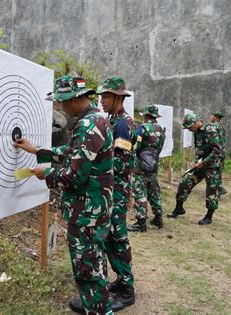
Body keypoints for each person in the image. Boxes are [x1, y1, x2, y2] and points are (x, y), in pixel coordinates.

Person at [14, 75, 123, 314]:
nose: (60, 106)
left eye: (62, 101)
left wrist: (47, 173)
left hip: (87, 213)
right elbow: (75, 152)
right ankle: (92, 302)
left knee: (88, 266)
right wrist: (38, 150)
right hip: (95, 208)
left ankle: (98, 308)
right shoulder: (97, 120)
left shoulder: (88, 125)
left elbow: (75, 175)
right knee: (94, 261)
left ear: (75, 99)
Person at [97, 76, 136, 307]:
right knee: (111, 236)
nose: (102, 100)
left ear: (118, 98)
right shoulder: (113, 119)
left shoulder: (123, 124)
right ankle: (121, 280)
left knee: (118, 237)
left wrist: (94, 164)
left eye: (106, 96)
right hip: (111, 189)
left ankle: (127, 290)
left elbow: (121, 162)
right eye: (101, 96)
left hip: (117, 191)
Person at [167, 113, 225, 225]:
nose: (189, 130)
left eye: (190, 127)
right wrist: (196, 163)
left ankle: (209, 217)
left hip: (213, 165)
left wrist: (203, 162)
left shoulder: (210, 130)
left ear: (196, 123)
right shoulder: (196, 132)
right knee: (185, 181)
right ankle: (179, 208)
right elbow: (200, 150)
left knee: (212, 190)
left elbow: (218, 151)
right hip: (201, 164)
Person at [128, 105, 166, 232]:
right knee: (154, 191)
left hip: (141, 166)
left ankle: (141, 222)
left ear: (146, 116)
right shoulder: (161, 129)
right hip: (154, 164)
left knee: (140, 192)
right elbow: (159, 148)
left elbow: (136, 146)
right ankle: (158, 218)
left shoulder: (142, 128)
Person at [210, 111, 227, 195]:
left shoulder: (212, 126)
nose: (210, 117)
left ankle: (217, 189)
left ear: (216, 117)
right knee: (218, 170)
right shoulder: (221, 127)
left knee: (214, 171)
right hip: (222, 152)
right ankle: (219, 187)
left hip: (216, 152)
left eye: (212, 115)